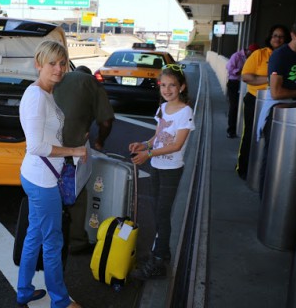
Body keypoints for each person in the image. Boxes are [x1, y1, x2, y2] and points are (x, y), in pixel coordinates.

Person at [17, 40, 85, 308]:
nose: (58, 69)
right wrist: (75, 150)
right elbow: (34, 146)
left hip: (38, 176)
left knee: (35, 234)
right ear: (38, 64)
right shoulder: (36, 96)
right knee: (53, 242)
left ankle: (24, 290)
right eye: (52, 63)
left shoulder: (46, 92)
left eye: (62, 63)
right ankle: (59, 301)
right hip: (42, 180)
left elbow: (46, 133)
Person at [128, 64, 195, 280]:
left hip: (171, 170)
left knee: (162, 214)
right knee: (157, 210)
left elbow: (176, 145)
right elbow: (157, 137)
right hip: (157, 166)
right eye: (163, 85)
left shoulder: (185, 112)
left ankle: (158, 262)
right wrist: (144, 145)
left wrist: (149, 154)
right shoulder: (163, 108)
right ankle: (162, 252)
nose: (167, 90)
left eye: (172, 85)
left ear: (181, 86)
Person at [53, 65, 115, 254]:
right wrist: (99, 141)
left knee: (50, 188)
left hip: (47, 146)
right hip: (74, 146)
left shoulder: (57, 76)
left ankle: (50, 235)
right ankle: (76, 241)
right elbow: (106, 121)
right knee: (77, 190)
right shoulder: (91, 83)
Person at [256, 18, 296, 195]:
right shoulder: (280, 56)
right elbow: (276, 93)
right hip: (280, 114)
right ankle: (267, 201)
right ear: (293, 35)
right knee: (273, 160)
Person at [235, 24, 289, 179]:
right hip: (255, 101)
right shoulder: (260, 54)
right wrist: (271, 80)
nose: (277, 39)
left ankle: (264, 172)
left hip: (278, 102)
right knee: (250, 134)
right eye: (275, 35)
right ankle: (243, 168)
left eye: (281, 36)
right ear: (270, 38)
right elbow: (246, 77)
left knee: (273, 138)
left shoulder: (287, 57)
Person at [225, 44, 259, 138]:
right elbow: (229, 67)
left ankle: (241, 129)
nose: (252, 56)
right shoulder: (237, 56)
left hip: (245, 84)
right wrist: (240, 71)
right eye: (252, 54)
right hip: (234, 83)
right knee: (234, 106)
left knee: (244, 106)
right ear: (248, 51)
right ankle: (231, 130)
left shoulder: (252, 58)